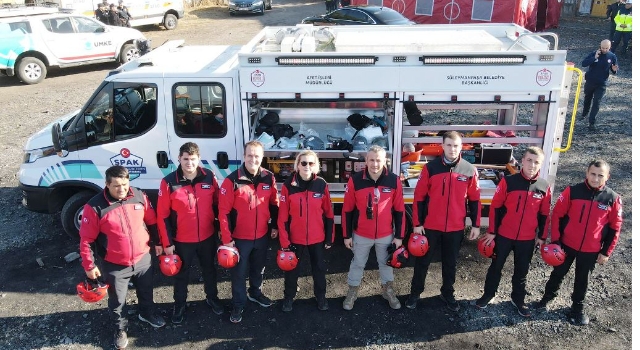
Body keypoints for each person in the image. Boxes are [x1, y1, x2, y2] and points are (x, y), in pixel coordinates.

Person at [79, 166, 165, 350]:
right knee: (118, 300)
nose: (122, 189)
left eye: (125, 184)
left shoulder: (139, 196)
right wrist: (89, 265)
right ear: (107, 184)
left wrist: (157, 243)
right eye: (116, 185)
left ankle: (147, 314)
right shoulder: (94, 207)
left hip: (143, 258)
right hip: (115, 264)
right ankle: (120, 329)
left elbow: (152, 221)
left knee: (146, 290)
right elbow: (86, 239)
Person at [535, 160, 623, 325]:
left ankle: (577, 309)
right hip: (566, 245)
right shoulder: (573, 191)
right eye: (593, 174)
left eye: (600, 175)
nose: (595, 179)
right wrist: (556, 241)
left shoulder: (612, 198)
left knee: (582, 280)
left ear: (607, 177)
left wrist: (605, 252)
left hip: (591, 249)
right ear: (587, 173)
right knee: (557, 274)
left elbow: (615, 228)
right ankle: (546, 299)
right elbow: (557, 215)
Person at [406, 131, 481, 312]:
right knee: (422, 261)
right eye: (449, 145)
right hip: (430, 226)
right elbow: (419, 197)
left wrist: (476, 224)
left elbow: (475, 199)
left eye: (456, 145)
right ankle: (415, 293)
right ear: (442, 146)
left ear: (461, 146)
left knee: (450, 263)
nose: (452, 149)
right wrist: (417, 223)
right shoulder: (430, 168)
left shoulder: (469, 170)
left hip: (455, 227)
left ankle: (447, 293)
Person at [473, 147, 551, 317]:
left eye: (537, 162)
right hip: (504, 236)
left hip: (527, 239)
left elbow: (545, 214)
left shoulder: (544, 187)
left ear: (541, 164)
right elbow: (496, 208)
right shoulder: (508, 182)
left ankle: (518, 299)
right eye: (529, 160)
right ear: (522, 160)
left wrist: (542, 237)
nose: (532, 165)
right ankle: (488, 295)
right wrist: (492, 231)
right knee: (496, 267)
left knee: (521, 271)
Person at [156, 142, 224, 324]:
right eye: (185, 158)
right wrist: (167, 243)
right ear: (179, 159)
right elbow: (162, 216)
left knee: (210, 270)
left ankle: (212, 298)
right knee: (181, 274)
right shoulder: (169, 182)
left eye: (193, 159)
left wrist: (221, 230)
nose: (189, 163)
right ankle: (179, 304)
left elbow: (218, 205)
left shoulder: (209, 176)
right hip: (181, 240)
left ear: (198, 159)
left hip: (207, 237)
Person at [218, 140, 279, 323]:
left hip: (261, 234)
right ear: (244, 156)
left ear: (262, 157)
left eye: (257, 156)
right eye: (250, 155)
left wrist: (274, 226)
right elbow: (223, 212)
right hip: (239, 238)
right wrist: (227, 239)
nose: (253, 159)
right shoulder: (232, 180)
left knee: (258, 269)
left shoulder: (269, 177)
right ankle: (238, 304)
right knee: (239, 273)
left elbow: (275, 204)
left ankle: (255, 293)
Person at [342, 145, 405, 311]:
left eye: (378, 160)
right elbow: (347, 210)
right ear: (366, 161)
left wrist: (399, 236)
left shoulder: (394, 180)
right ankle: (352, 291)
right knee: (358, 263)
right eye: (371, 160)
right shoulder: (355, 180)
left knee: (385, 263)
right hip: (361, 233)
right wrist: (346, 235)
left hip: (385, 234)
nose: (375, 164)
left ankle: (388, 290)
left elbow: (399, 210)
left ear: (385, 161)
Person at [278, 150, 334, 312]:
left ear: (315, 165)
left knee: (319, 268)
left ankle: (321, 296)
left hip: (317, 238)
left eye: (311, 163)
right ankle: (288, 297)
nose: (307, 166)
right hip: (295, 238)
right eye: (303, 163)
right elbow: (282, 218)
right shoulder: (289, 186)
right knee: (291, 270)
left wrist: (329, 237)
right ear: (297, 165)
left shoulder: (321, 184)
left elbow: (329, 214)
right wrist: (285, 242)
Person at [581, 39, 618, 132]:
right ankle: (584, 113)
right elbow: (583, 63)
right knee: (587, 98)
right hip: (590, 81)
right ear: (600, 46)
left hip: (602, 83)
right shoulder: (594, 53)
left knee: (597, 102)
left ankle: (591, 122)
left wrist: (614, 69)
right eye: (602, 48)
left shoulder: (612, 56)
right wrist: (594, 57)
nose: (604, 50)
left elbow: (614, 70)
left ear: (609, 48)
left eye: (606, 48)